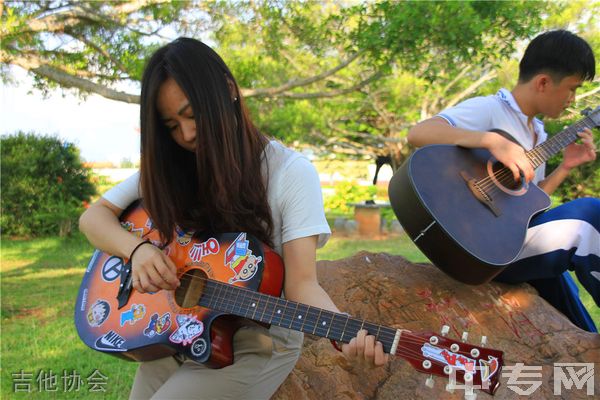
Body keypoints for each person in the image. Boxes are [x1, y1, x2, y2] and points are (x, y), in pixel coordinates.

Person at [79, 38, 388, 399]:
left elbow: (303, 285)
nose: (187, 134)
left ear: (228, 90)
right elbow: (93, 219)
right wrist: (138, 252)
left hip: (256, 340)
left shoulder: (289, 173)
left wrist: (346, 333)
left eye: (192, 114)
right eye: (172, 125)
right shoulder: (174, 166)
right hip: (175, 327)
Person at [407, 30, 599, 332]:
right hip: (474, 245)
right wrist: (490, 140)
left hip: (503, 243)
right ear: (544, 83)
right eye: (572, 89)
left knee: (567, 299)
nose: (573, 99)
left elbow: (527, 208)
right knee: (590, 215)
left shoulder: (539, 134)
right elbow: (418, 133)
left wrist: (565, 167)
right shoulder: (490, 109)